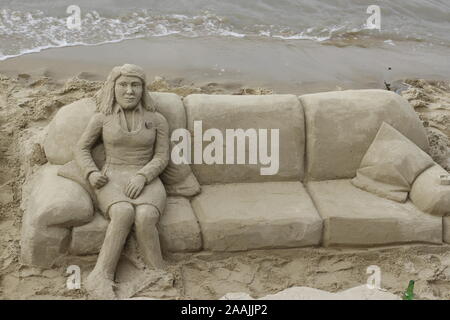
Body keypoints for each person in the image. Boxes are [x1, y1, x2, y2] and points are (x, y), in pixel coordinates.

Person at [74, 64, 170, 299]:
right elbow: (81, 148)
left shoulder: (157, 120)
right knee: (123, 212)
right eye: (123, 85)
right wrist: (91, 172)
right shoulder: (102, 118)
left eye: (135, 85)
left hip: (147, 178)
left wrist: (143, 176)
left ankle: (157, 272)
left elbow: (162, 156)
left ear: (143, 89)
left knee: (146, 216)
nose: (129, 91)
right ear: (113, 88)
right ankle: (101, 274)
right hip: (112, 176)